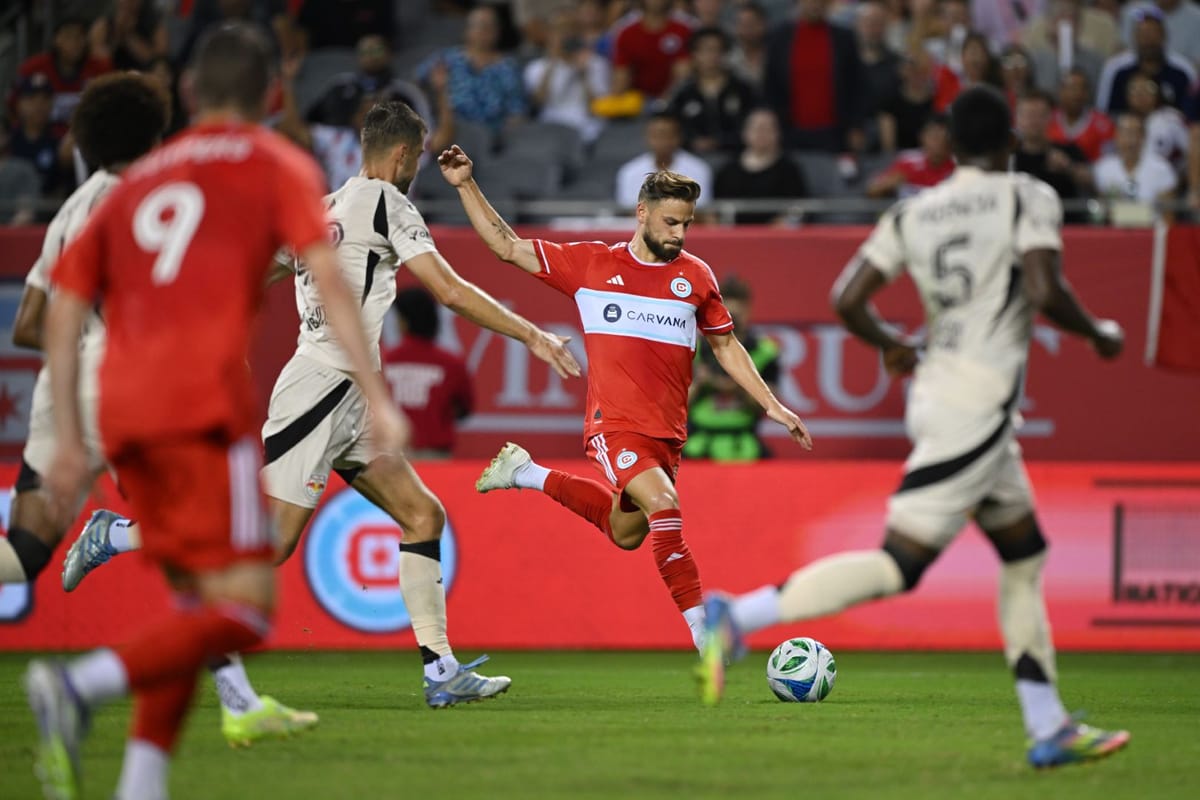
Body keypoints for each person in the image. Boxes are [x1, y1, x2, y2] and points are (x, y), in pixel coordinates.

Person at [67, 101, 581, 713]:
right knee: (269, 543)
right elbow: (447, 289)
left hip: (348, 394)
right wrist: (532, 334)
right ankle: (117, 534)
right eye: (416, 156)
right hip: (323, 387)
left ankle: (441, 670)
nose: (416, 167)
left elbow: (254, 273)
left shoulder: (322, 209)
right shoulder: (388, 203)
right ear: (401, 154)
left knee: (423, 516)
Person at [25, 24, 407, 800]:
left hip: (121, 408)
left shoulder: (139, 178)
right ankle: (77, 687)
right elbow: (330, 279)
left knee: (191, 604)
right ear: (270, 94)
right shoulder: (275, 163)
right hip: (201, 404)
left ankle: (142, 782)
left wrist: (65, 438)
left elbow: (61, 309)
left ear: (192, 93)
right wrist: (376, 395)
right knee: (242, 611)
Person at [698, 84, 1131, 770]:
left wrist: (891, 344)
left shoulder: (914, 212)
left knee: (1024, 555)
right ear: (1011, 143)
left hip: (944, 395)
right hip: (977, 406)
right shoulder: (1028, 196)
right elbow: (1045, 288)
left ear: (949, 147)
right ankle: (737, 616)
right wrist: (1100, 333)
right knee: (901, 565)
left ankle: (1048, 725)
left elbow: (847, 298)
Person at [440, 151, 812, 651]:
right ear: (641, 212)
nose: (679, 234)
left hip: (667, 436)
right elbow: (507, 247)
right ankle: (705, 634)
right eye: (670, 222)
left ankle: (527, 472)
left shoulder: (696, 277)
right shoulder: (592, 264)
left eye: (687, 224)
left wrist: (771, 404)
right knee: (665, 505)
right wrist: (465, 184)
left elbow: (725, 345)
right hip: (613, 426)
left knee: (626, 533)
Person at [683, 276, 781, 461]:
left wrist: (741, 383)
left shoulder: (765, 351)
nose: (732, 322)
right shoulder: (694, 348)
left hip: (745, 446)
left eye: (737, 315)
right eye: (727, 314)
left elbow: (768, 407)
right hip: (698, 445)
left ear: (748, 311)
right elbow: (675, 408)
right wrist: (700, 383)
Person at [383, 287, 474, 459]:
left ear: (403, 321)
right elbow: (464, 409)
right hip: (434, 458)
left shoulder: (383, 361)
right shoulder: (451, 363)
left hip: (390, 456)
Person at [764, 0, 865, 152]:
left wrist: (856, 125)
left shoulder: (844, 38)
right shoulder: (779, 37)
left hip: (834, 132)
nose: (815, 5)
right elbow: (770, 84)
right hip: (789, 131)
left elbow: (857, 85)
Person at [416, 6, 528, 137]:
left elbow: (517, 111)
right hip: (450, 132)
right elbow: (414, 87)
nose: (486, 30)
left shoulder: (508, 67)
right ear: (466, 30)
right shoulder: (446, 58)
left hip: (492, 136)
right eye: (480, 25)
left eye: (491, 26)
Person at [523, 9, 612, 144]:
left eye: (571, 30)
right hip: (552, 131)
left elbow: (599, 108)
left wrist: (584, 75)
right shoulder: (536, 68)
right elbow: (538, 103)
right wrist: (552, 62)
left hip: (587, 131)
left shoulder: (597, 64)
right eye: (560, 31)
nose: (566, 36)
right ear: (550, 35)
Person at [666, 27, 759, 154]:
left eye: (716, 49)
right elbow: (672, 127)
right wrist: (692, 141)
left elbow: (753, 124)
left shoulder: (743, 89)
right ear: (694, 54)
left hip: (736, 156)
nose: (711, 56)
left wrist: (721, 141)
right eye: (705, 50)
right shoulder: (683, 92)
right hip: (692, 157)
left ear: (724, 53)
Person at [713, 107, 807, 224]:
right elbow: (716, 209)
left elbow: (798, 209)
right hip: (734, 232)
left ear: (778, 133)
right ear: (745, 132)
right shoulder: (727, 170)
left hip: (775, 233)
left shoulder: (789, 170)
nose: (761, 134)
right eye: (756, 128)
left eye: (767, 129)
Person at [1095, 5, 1195, 114]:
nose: (1148, 40)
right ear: (1134, 37)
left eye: (1153, 34)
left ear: (1164, 36)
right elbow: (1104, 112)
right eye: (1143, 34)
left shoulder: (1182, 70)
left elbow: (1192, 114)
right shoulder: (1116, 68)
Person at [615, 112, 713, 209]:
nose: (662, 141)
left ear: (679, 137)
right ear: (647, 137)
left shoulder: (698, 169)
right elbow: (627, 212)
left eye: (668, 135)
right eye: (656, 135)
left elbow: (701, 211)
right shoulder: (629, 172)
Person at [609, 0, 695, 100]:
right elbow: (621, 75)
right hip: (637, 99)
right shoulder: (627, 33)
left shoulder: (683, 29)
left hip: (674, 98)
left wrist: (666, 102)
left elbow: (683, 74)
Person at [1093, 112, 1178, 204]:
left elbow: (1167, 211)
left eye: (1135, 134)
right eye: (1124, 133)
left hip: (1151, 214)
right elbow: (1102, 208)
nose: (1130, 140)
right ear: (1116, 137)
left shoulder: (1162, 169)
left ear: (1144, 137)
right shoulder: (1103, 168)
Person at [866, 114, 955, 198]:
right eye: (934, 137)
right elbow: (872, 190)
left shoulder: (956, 165)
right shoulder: (908, 161)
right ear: (922, 137)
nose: (938, 142)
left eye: (943, 137)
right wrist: (888, 184)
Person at [1047, 68, 1114, 162]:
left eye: (1081, 88)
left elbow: (1109, 162)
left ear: (1087, 93)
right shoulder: (1047, 120)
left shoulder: (1103, 125)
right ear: (1060, 91)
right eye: (1071, 88)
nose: (1077, 93)